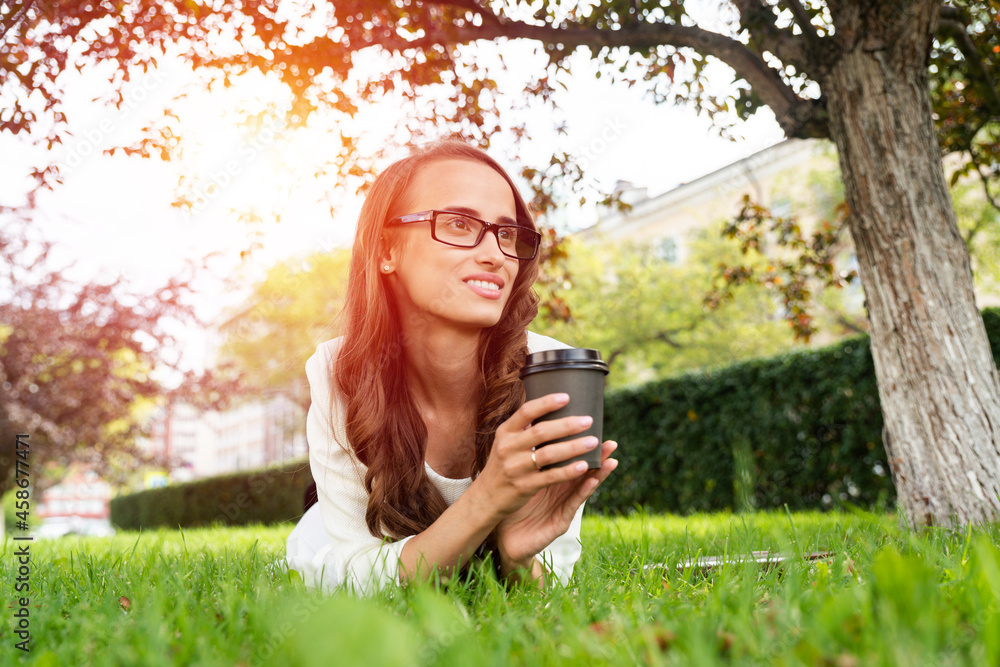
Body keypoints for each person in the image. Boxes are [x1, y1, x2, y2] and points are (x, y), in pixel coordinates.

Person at [285, 140, 618, 595]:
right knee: (315, 561)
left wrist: (519, 557)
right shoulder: (337, 369)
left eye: (507, 233)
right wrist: (486, 500)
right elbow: (357, 579)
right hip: (339, 534)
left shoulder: (552, 374)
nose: (496, 254)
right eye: (459, 224)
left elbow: (551, 587)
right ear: (387, 250)